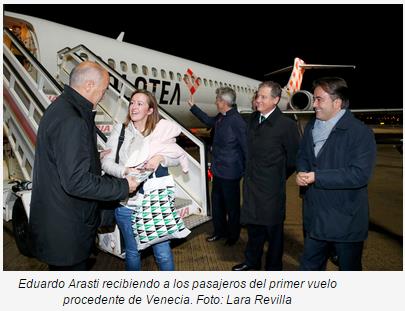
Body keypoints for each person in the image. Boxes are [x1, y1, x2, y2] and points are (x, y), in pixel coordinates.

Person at [29, 61, 139, 271]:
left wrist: (92, 156)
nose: (103, 94)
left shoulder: (60, 108)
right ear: (89, 85)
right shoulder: (73, 119)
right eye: (104, 89)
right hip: (67, 232)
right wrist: (124, 187)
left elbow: (61, 157)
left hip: (57, 224)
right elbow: (76, 182)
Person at [102, 89, 188, 271]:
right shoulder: (121, 130)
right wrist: (125, 170)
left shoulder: (160, 131)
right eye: (132, 102)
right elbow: (106, 163)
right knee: (133, 253)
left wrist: (161, 158)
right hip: (127, 203)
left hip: (154, 203)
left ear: (150, 110)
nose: (133, 107)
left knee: (163, 253)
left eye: (140, 103)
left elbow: (175, 157)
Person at [296, 77, 376, 271]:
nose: (313, 104)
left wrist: (317, 177)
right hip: (314, 220)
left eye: (318, 99)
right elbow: (303, 155)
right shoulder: (311, 127)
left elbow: (359, 174)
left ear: (337, 102)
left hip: (344, 222)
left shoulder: (360, 133)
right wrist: (302, 171)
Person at [232, 81, 300, 271]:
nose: (257, 100)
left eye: (263, 97)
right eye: (257, 96)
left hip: (271, 190)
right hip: (252, 186)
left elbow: (294, 159)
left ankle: (273, 268)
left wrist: (276, 176)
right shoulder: (252, 120)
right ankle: (251, 262)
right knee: (254, 230)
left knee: (273, 233)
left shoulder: (286, 125)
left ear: (276, 100)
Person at [188, 87, 247, 246]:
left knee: (232, 207)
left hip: (231, 173)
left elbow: (246, 147)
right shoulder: (222, 117)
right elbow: (208, 121)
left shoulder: (237, 121)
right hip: (218, 171)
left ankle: (233, 236)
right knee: (218, 205)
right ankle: (219, 232)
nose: (216, 102)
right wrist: (193, 107)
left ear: (224, 102)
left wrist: (245, 171)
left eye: (218, 100)